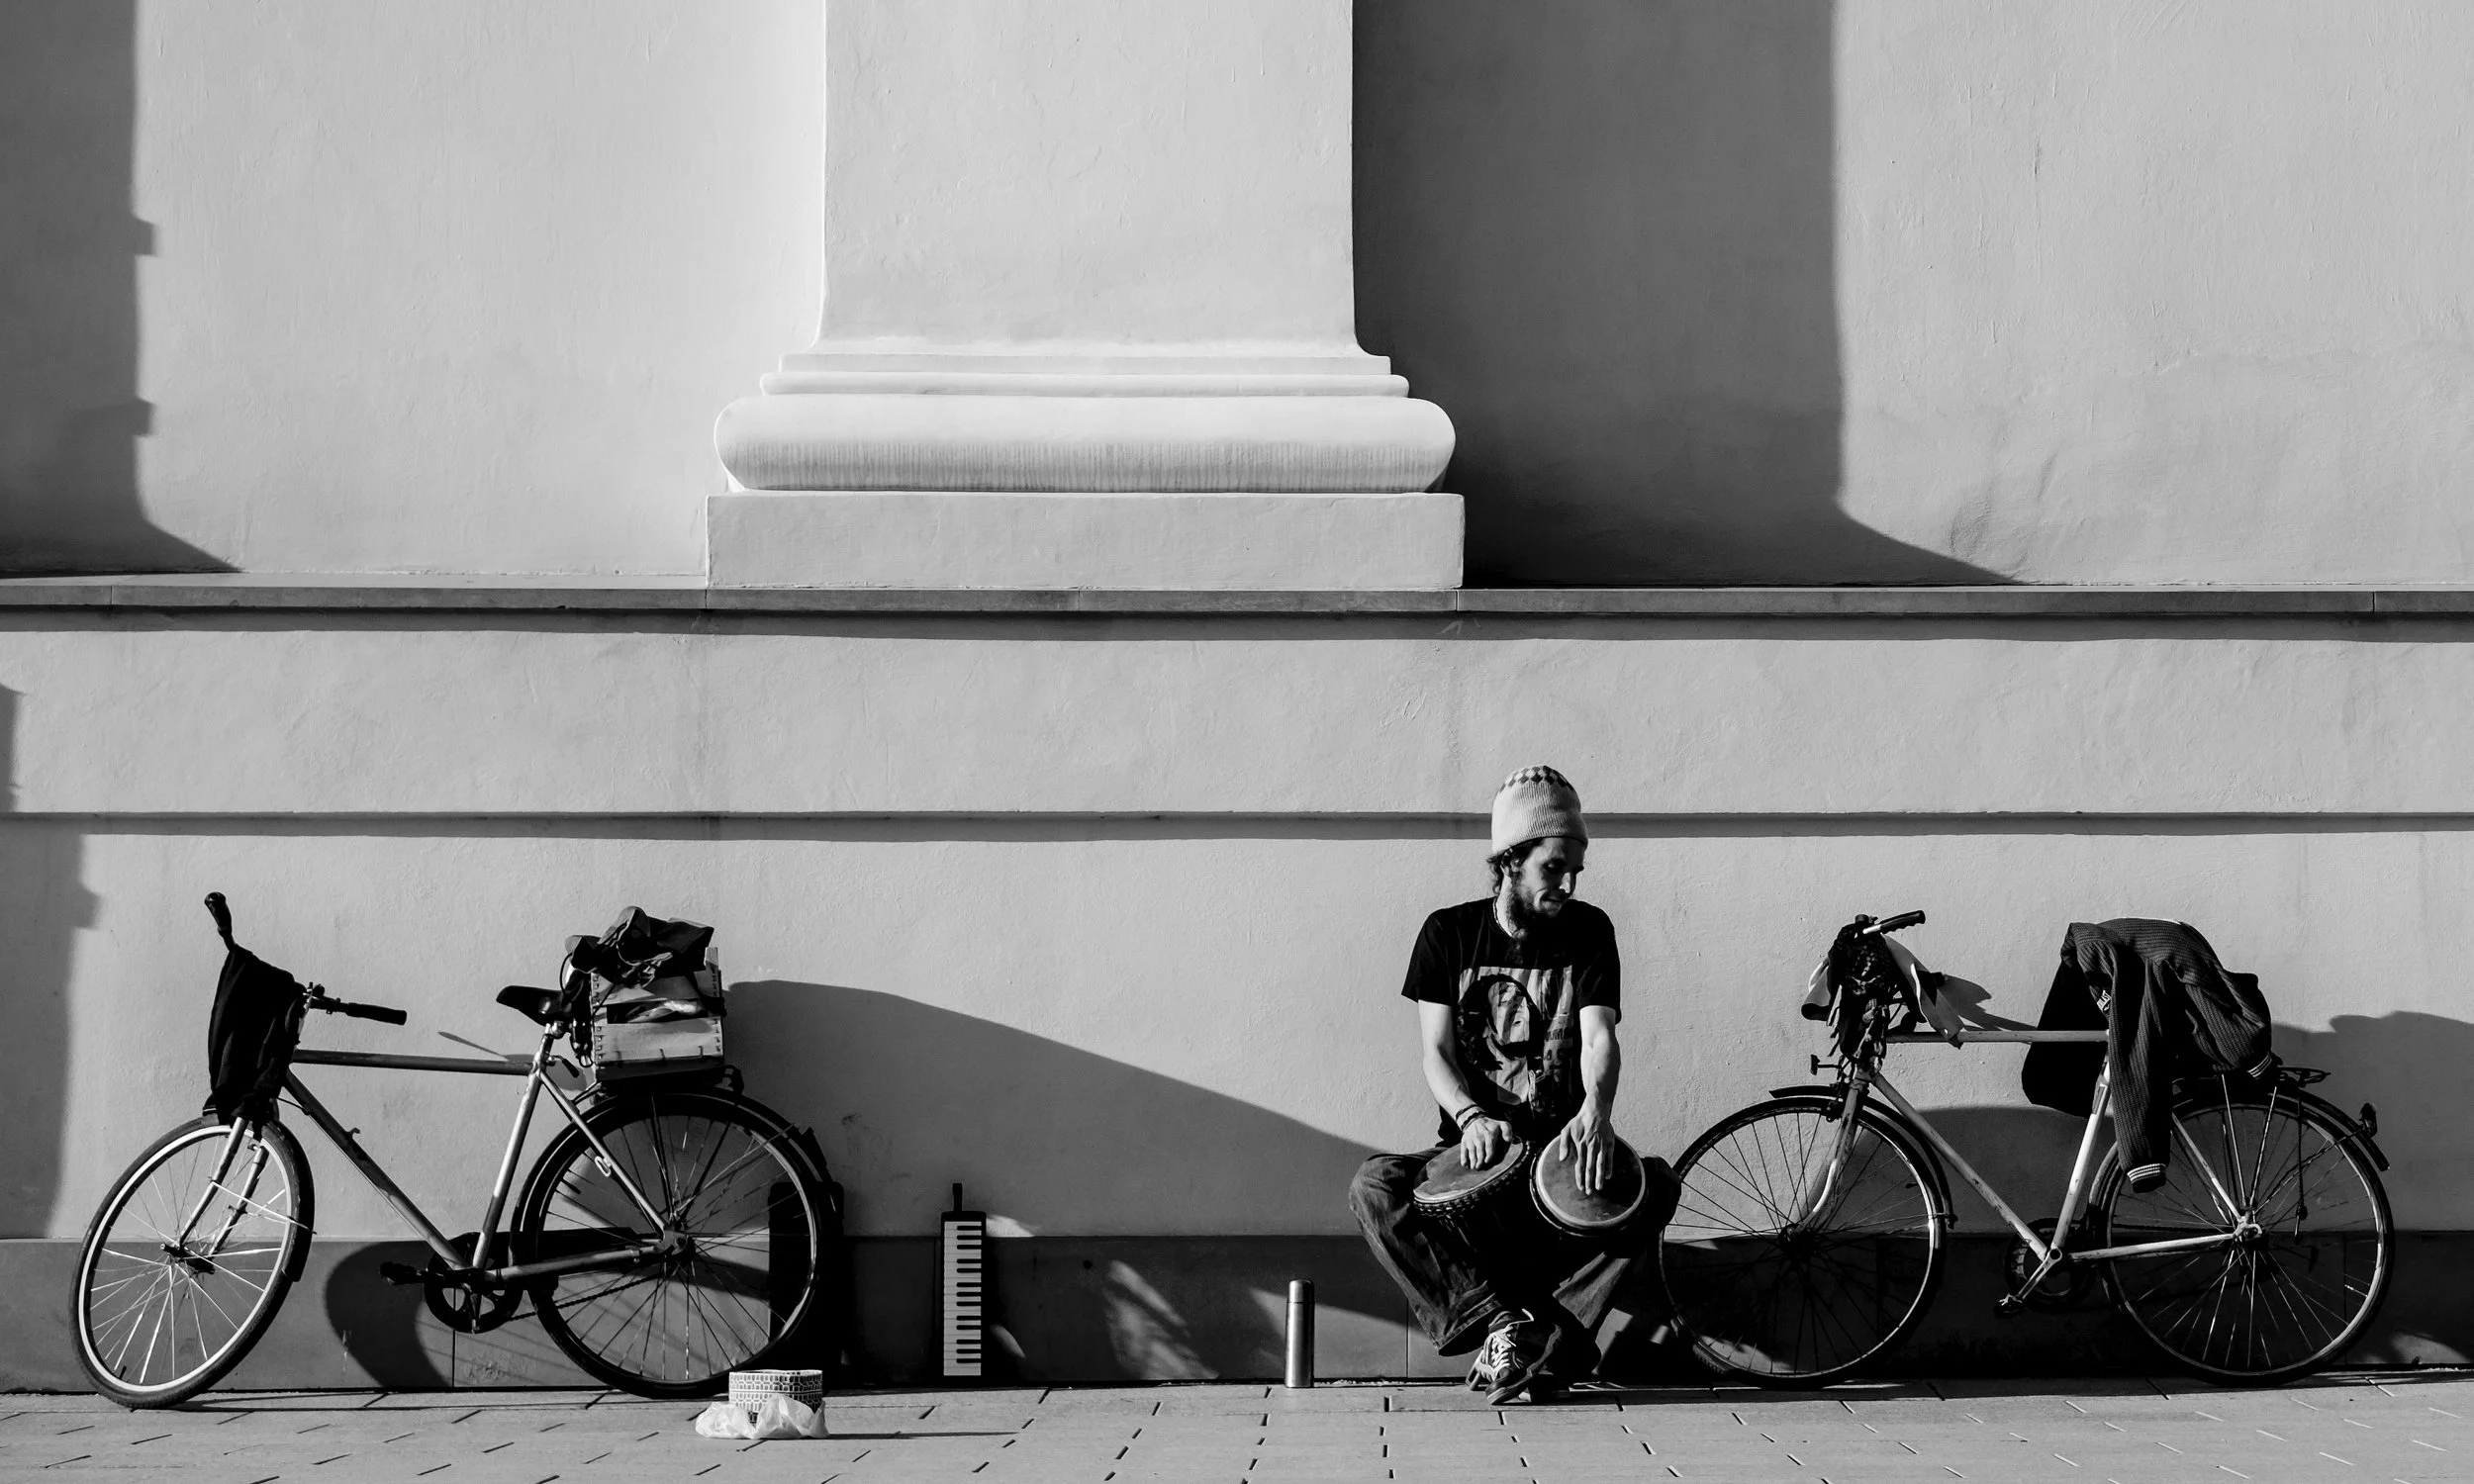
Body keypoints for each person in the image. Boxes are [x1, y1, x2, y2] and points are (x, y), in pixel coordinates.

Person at [1347, 766, 1652, 1404]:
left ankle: (1549, 1348)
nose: (1567, 884)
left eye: (1575, 870)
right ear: (1510, 861)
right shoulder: (1448, 933)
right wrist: (1469, 1118)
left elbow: (1599, 1036)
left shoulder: (1591, 931)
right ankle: (1498, 1326)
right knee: (1375, 1185)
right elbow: (1436, 1051)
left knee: (1653, 1185)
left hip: (1559, 1161)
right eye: (1553, 867)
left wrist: (1597, 1111)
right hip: (1473, 1154)